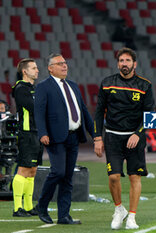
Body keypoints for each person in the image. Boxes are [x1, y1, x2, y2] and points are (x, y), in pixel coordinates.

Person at [94, 47, 154, 230]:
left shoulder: (145, 85)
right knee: (113, 177)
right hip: (112, 137)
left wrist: (137, 133)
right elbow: (98, 112)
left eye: (128, 61)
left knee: (135, 177)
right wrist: (97, 137)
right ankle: (119, 209)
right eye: (121, 61)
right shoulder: (107, 83)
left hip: (134, 138)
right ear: (117, 63)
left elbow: (151, 115)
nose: (124, 64)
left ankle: (132, 217)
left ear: (135, 64)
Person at [34, 54, 94, 224]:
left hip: (73, 136)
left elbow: (83, 111)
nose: (64, 66)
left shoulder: (73, 86)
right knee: (58, 172)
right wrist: (42, 133)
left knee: (67, 176)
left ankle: (64, 216)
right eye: (59, 64)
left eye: (65, 63)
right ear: (50, 68)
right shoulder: (44, 86)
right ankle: (42, 206)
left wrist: (95, 134)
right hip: (55, 137)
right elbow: (39, 112)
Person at [11, 58, 43, 217]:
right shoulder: (20, 88)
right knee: (23, 169)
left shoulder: (33, 88)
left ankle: (29, 206)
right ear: (25, 71)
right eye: (34, 68)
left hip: (37, 133)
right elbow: (32, 107)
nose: (37, 70)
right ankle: (17, 208)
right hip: (27, 133)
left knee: (32, 171)